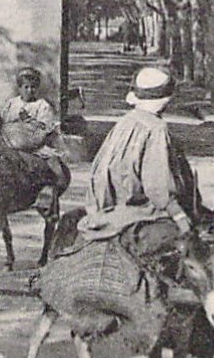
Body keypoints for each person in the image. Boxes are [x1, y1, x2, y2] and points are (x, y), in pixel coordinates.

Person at [76, 66, 198, 250]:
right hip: (134, 211)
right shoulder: (157, 129)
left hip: (102, 209)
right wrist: (179, 215)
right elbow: (158, 187)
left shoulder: (126, 121)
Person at [0, 66, 67, 207]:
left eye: (33, 87)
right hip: (10, 144)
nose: (30, 90)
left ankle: (48, 193)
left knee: (54, 166)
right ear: (20, 88)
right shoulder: (12, 104)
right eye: (26, 87)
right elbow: (3, 122)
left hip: (35, 146)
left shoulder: (42, 106)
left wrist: (30, 120)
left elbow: (46, 127)